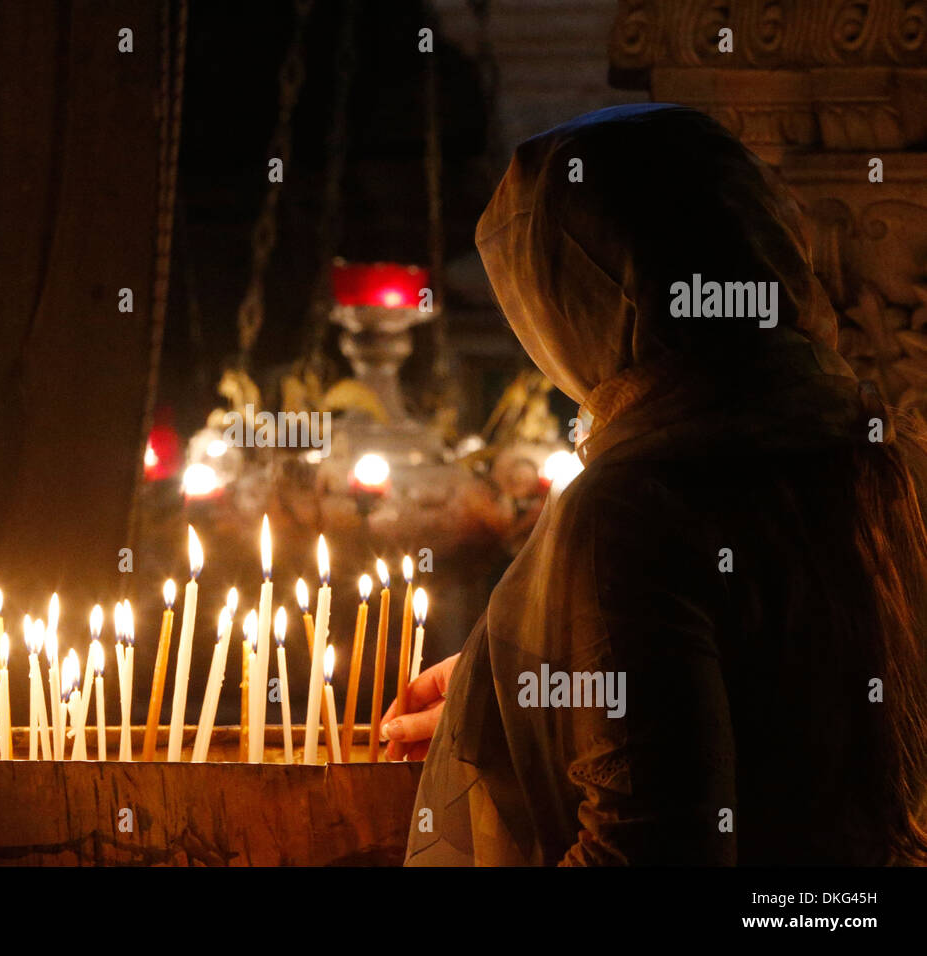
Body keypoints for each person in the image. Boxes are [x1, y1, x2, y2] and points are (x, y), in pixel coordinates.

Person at [383, 104, 927, 866]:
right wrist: (509, 694)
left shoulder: (633, 504)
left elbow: (649, 846)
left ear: (567, 294)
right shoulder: (876, 451)